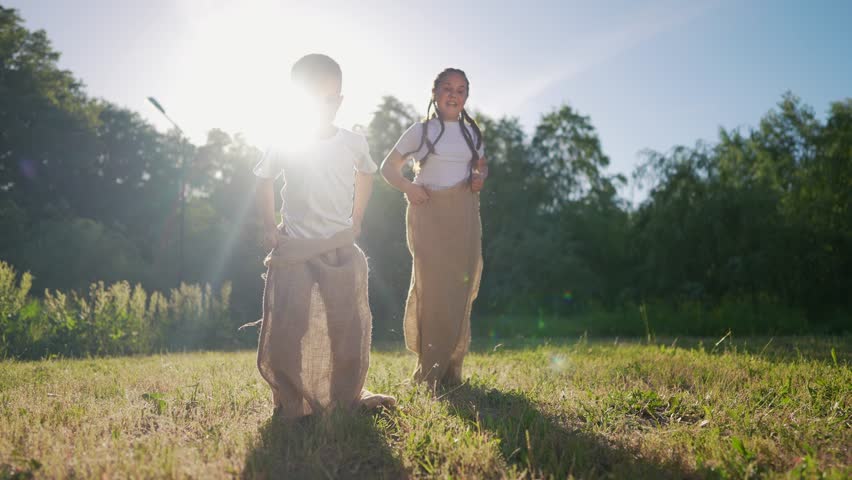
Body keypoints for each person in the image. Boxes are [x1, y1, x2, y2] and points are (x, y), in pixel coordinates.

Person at [246, 53, 395, 418]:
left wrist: (357, 217)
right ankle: (290, 401)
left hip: (338, 246)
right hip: (294, 245)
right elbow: (263, 177)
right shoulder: (284, 140)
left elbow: (368, 173)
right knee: (288, 325)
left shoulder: (353, 142)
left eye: (329, 100)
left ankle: (345, 396)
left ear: (340, 101)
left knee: (347, 325)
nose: (320, 108)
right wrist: (269, 225)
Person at [380, 67, 488, 389]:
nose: (454, 95)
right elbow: (388, 168)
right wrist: (408, 188)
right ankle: (428, 370)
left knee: (460, 289)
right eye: (447, 89)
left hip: (464, 215)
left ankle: (452, 369)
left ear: (466, 96)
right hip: (428, 213)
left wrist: (480, 177)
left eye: (461, 90)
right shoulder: (421, 131)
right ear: (435, 93)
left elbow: (481, 166)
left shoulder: (472, 134)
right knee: (433, 289)